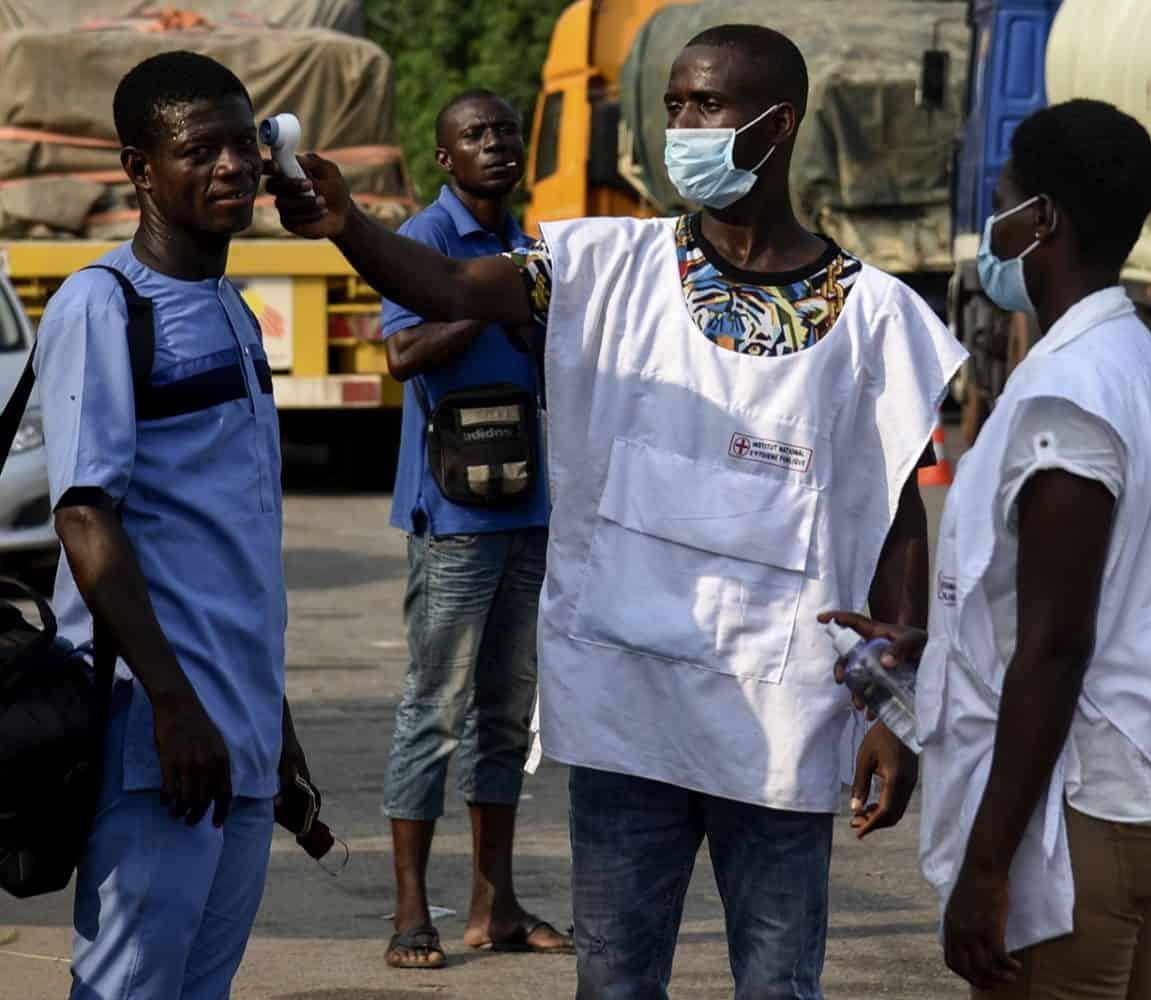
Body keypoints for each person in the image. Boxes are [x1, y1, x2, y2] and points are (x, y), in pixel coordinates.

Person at [268, 24, 965, 999]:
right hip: (628, 713)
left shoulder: (874, 316)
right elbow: (450, 284)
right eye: (673, 103)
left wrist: (895, 705)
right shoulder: (602, 268)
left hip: (781, 717)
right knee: (618, 986)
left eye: (707, 106)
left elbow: (897, 512)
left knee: (778, 984)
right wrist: (346, 222)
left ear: (779, 123)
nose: (681, 124)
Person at [822, 99, 1151, 999]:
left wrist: (985, 873)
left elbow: (1058, 645)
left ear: (1042, 221)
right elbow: (1086, 594)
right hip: (1136, 805)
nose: (991, 228)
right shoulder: (1125, 358)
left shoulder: (1071, 392)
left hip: (1081, 822)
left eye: (1003, 201)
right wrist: (938, 649)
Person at [36, 51, 308, 999]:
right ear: (139, 168)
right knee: (129, 988)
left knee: (199, 987)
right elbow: (84, 514)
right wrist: (173, 703)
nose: (234, 166)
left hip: (236, 735)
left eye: (246, 145)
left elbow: (231, 549)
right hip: (155, 734)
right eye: (202, 150)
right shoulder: (103, 306)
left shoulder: (233, 310)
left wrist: (275, 728)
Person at [377, 88, 570, 970]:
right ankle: (410, 910)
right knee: (433, 710)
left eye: (504, 131)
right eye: (474, 135)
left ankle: (495, 907)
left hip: (527, 502)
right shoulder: (425, 240)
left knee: (504, 716)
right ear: (446, 158)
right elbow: (401, 354)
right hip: (453, 516)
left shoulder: (533, 242)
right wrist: (485, 304)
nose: (495, 143)